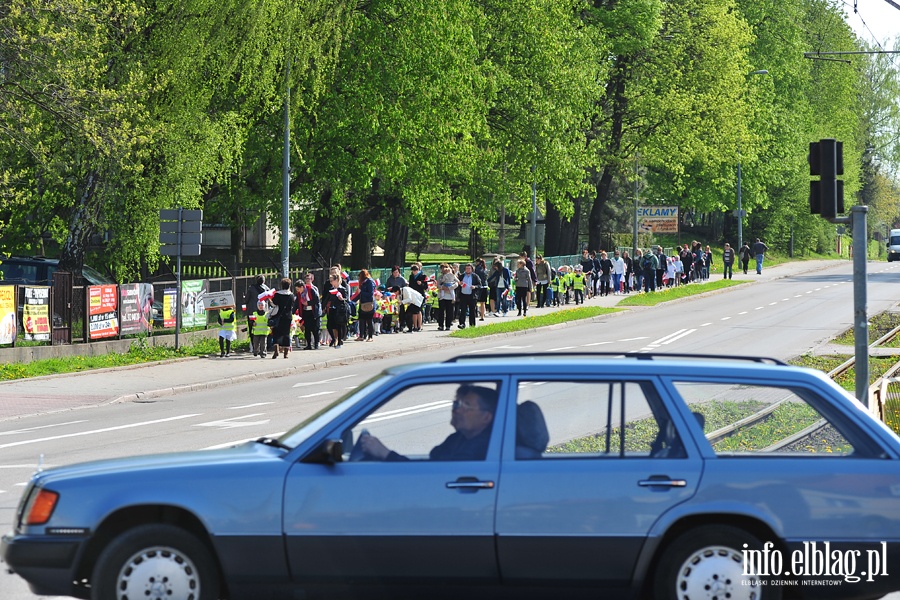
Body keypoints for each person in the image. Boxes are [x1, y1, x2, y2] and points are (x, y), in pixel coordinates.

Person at [358, 384, 498, 461]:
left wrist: (385, 454)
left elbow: (433, 476)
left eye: (465, 406)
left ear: (486, 417)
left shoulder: (479, 448)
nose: (456, 410)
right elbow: (431, 465)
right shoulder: (459, 438)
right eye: (456, 404)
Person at [269, 277, 295, 358]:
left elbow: (274, 304)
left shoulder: (277, 294)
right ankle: (286, 353)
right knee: (286, 333)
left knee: (276, 333)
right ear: (289, 285)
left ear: (281, 285)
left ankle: (276, 351)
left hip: (278, 316)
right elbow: (292, 305)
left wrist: (270, 300)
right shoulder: (291, 295)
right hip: (288, 317)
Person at [323, 273, 350, 348]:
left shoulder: (343, 289)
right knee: (329, 325)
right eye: (330, 281)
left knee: (339, 325)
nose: (331, 282)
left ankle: (339, 341)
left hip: (340, 309)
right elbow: (327, 299)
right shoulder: (331, 289)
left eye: (332, 281)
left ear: (337, 280)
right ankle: (334, 338)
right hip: (332, 308)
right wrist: (323, 307)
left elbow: (347, 299)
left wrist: (342, 299)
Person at [295, 273, 321, 350]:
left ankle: (316, 344)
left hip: (313, 312)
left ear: (302, 287)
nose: (298, 291)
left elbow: (317, 300)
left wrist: (308, 303)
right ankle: (309, 344)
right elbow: (297, 303)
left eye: (298, 289)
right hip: (305, 312)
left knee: (315, 329)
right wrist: (293, 313)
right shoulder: (299, 294)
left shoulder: (311, 289)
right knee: (307, 329)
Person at [352, 269, 377, 342]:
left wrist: (362, 292)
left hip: (369, 303)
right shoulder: (363, 282)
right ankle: (362, 336)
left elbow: (370, 294)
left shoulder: (369, 282)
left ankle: (370, 336)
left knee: (369, 320)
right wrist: (352, 301)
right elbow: (360, 294)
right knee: (361, 320)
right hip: (362, 303)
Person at [457, 263, 483, 328]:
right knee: (463, 310)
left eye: (469, 268)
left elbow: (480, 285)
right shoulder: (462, 276)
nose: (468, 270)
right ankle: (462, 324)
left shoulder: (475, 276)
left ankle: (472, 325)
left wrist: (475, 287)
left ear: (472, 269)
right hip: (463, 295)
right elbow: (457, 284)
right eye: (466, 269)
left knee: (472, 311)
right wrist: (460, 283)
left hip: (472, 296)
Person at [436, 263, 458, 331]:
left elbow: (456, 284)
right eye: (442, 268)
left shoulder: (452, 276)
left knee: (449, 311)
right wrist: (442, 287)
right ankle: (441, 325)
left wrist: (450, 288)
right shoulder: (440, 277)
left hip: (449, 296)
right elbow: (438, 285)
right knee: (441, 311)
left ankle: (448, 325)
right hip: (442, 296)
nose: (443, 269)